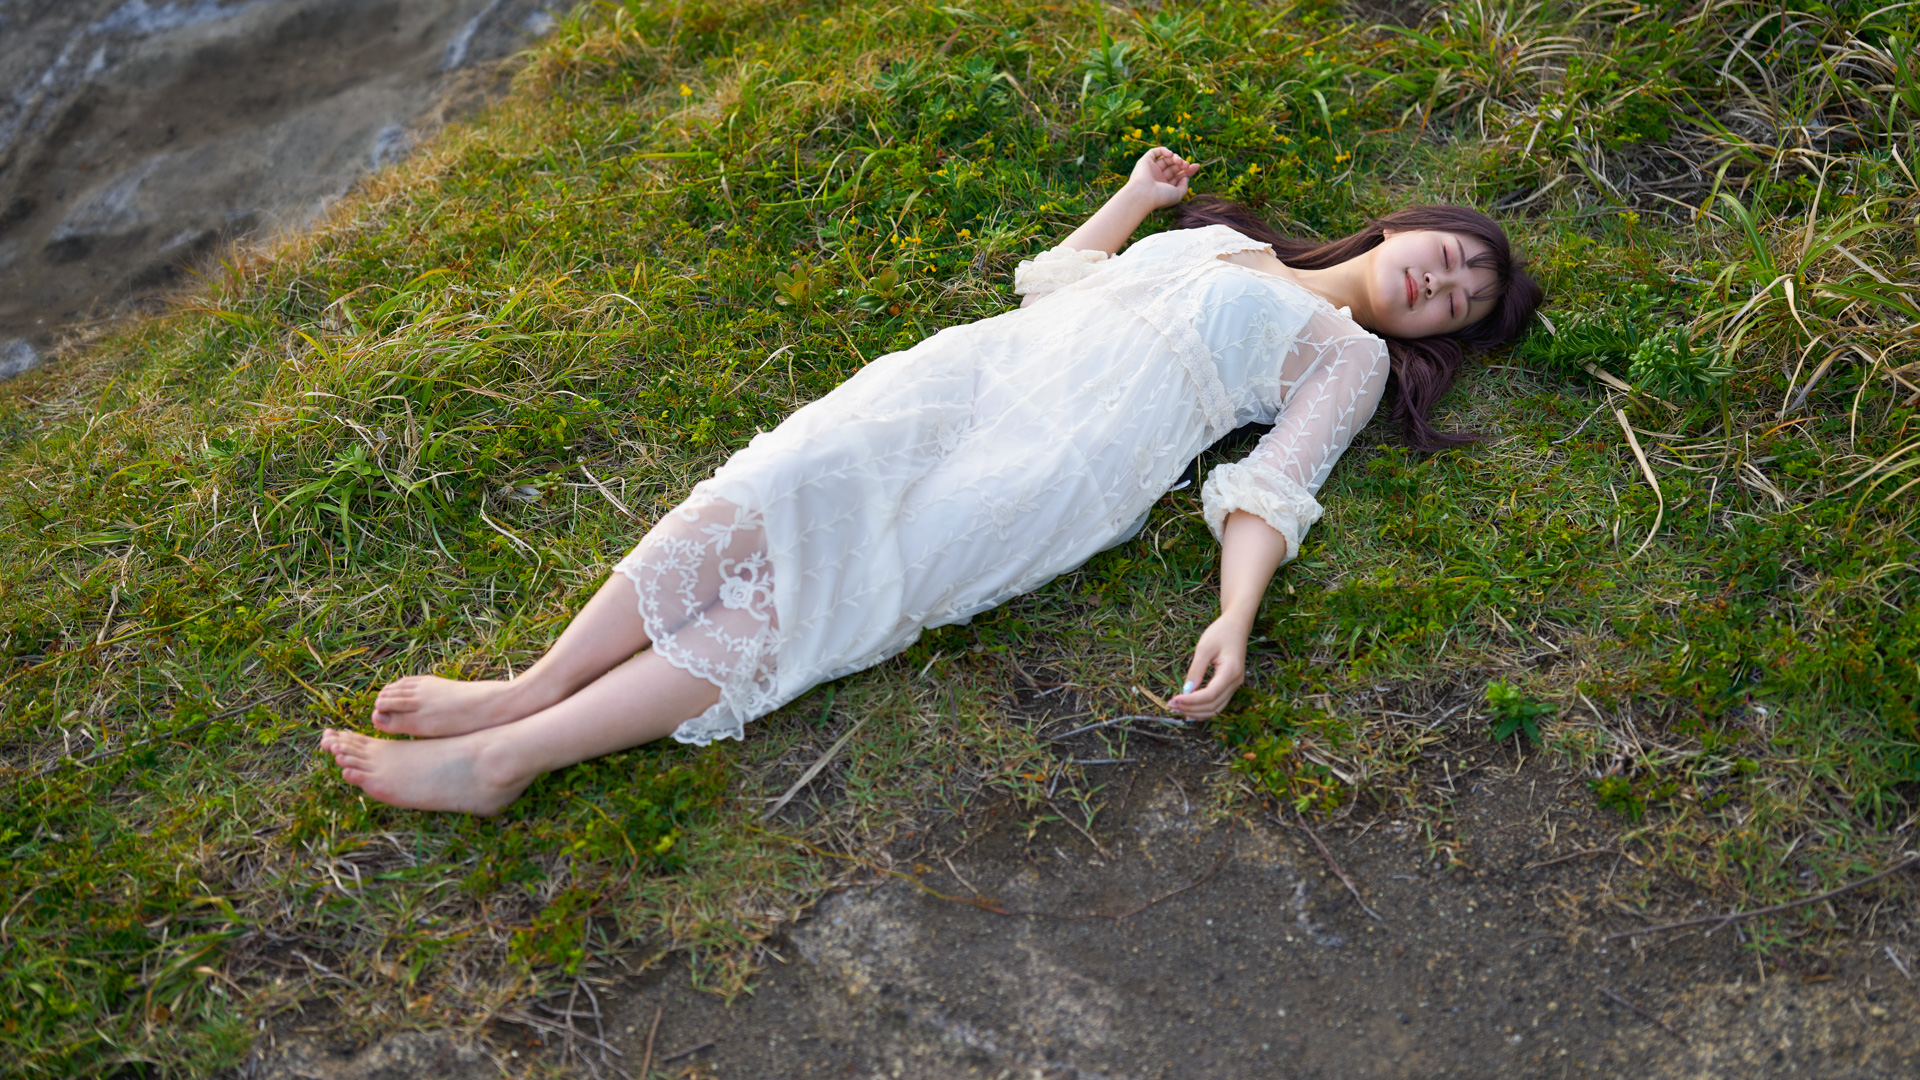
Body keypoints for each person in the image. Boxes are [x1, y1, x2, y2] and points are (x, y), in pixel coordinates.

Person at [321, 147, 1543, 814]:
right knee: (769, 486)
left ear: (1434, 335)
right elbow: (1057, 285)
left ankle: (512, 759)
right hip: (974, 377)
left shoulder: (1349, 359)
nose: (1439, 285)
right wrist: (1134, 200)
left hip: (1063, 462)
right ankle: (528, 686)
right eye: (1449, 258)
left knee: (820, 594)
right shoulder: (1230, 242)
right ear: (1403, 225)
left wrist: (1235, 616)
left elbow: (1271, 489)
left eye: (1458, 305)